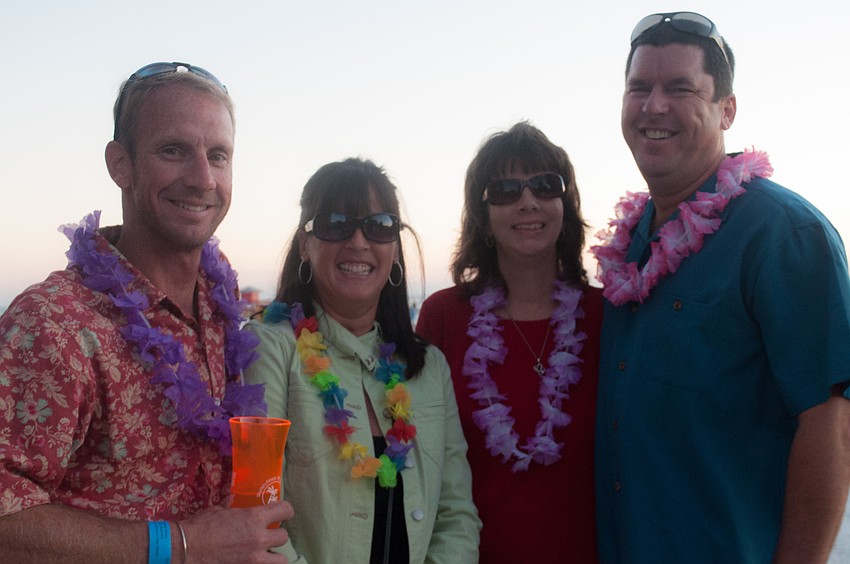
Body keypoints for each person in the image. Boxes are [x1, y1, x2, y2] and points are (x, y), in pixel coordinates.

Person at [0, 62, 294, 563]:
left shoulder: (219, 303)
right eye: (173, 150)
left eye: (218, 155)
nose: (203, 178)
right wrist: (180, 545)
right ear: (121, 164)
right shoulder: (52, 324)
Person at [591, 12, 850, 563]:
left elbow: (831, 428)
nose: (653, 105)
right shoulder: (629, 244)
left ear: (726, 110)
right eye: (639, 87)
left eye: (680, 88)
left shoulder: (783, 235)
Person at [243, 157, 480, 563]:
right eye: (336, 223)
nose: (358, 242)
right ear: (305, 243)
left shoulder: (428, 366)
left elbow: (455, 513)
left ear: (394, 248)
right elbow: (255, 513)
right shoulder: (268, 348)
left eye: (379, 226)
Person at [416, 122, 603, 563]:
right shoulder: (443, 317)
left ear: (565, 203)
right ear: (482, 215)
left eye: (544, 185)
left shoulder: (608, 316)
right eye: (505, 190)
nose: (527, 201)